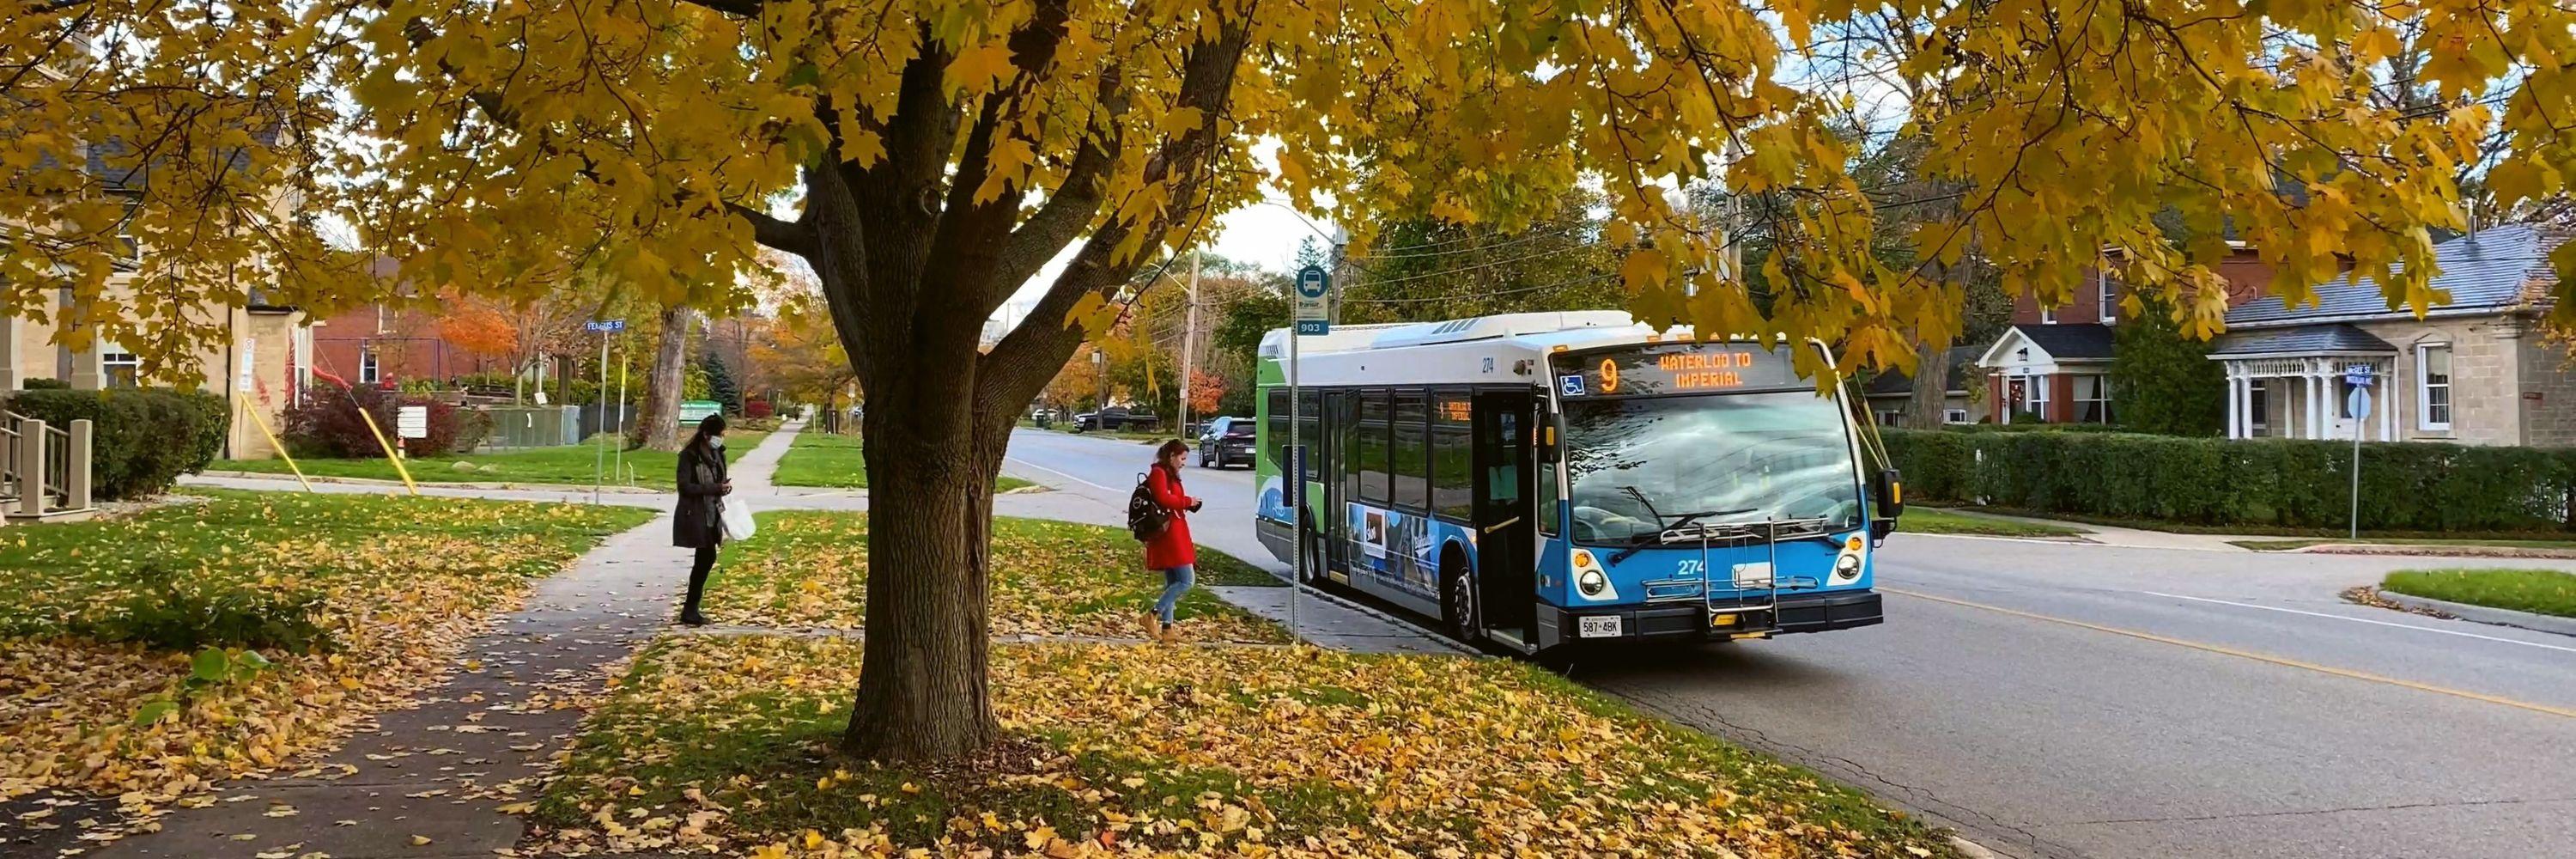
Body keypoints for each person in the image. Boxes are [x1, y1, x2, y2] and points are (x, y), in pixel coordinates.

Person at [672, 414, 733, 625]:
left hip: (713, 512)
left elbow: (719, 479)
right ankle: (690, 609)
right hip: (696, 513)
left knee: (706, 559)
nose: (721, 438)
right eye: (718, 435)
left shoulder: (718, 454)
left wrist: (724, 487)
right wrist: (715, 488)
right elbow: (685, 487)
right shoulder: (689, 456)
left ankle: (691, 608)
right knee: (705, 558)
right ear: (706, 435)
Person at [1142, 439, 1203, 643]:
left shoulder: (1170, 474)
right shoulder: (1159, 473)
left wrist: (1188, 503)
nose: (1184, 463)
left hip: (1176, 529)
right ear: (1172, 456)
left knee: (1172, 582)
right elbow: (1162, 499)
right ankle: (1152, 614)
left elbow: (1171, 498)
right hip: (1170, 534)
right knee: (1186, 581)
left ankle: (1167, 629)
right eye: (1182, 458)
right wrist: (1187, 502)